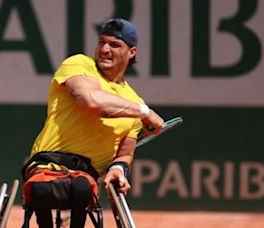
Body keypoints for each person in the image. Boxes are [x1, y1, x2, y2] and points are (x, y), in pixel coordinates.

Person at [21, 18, 164, 228]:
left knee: (81, 189)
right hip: (47, 164)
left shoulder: (133, 102)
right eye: (102, 42)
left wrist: (118, 168)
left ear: (131, 52)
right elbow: (91, 101)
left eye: (115, 45)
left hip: (86, 175)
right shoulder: (79, 64)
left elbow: (125, 153)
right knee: (41, 190)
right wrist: (145, 112)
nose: (105, 49)